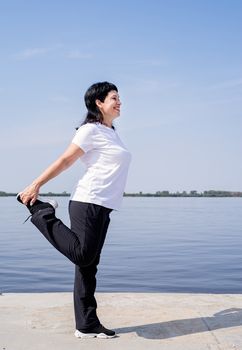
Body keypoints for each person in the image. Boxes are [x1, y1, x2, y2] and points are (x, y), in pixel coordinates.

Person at [17, 81, 131, 339]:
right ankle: (42, 213)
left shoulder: (111, 131)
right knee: (82, 256)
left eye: (119, 97)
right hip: (88, 201)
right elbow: (65, 160)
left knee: (89, 266)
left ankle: (87, 324)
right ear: (99, 103)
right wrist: (36, 185)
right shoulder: (90, 130)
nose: (119, 101)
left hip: (104, 206)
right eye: (114, 97)